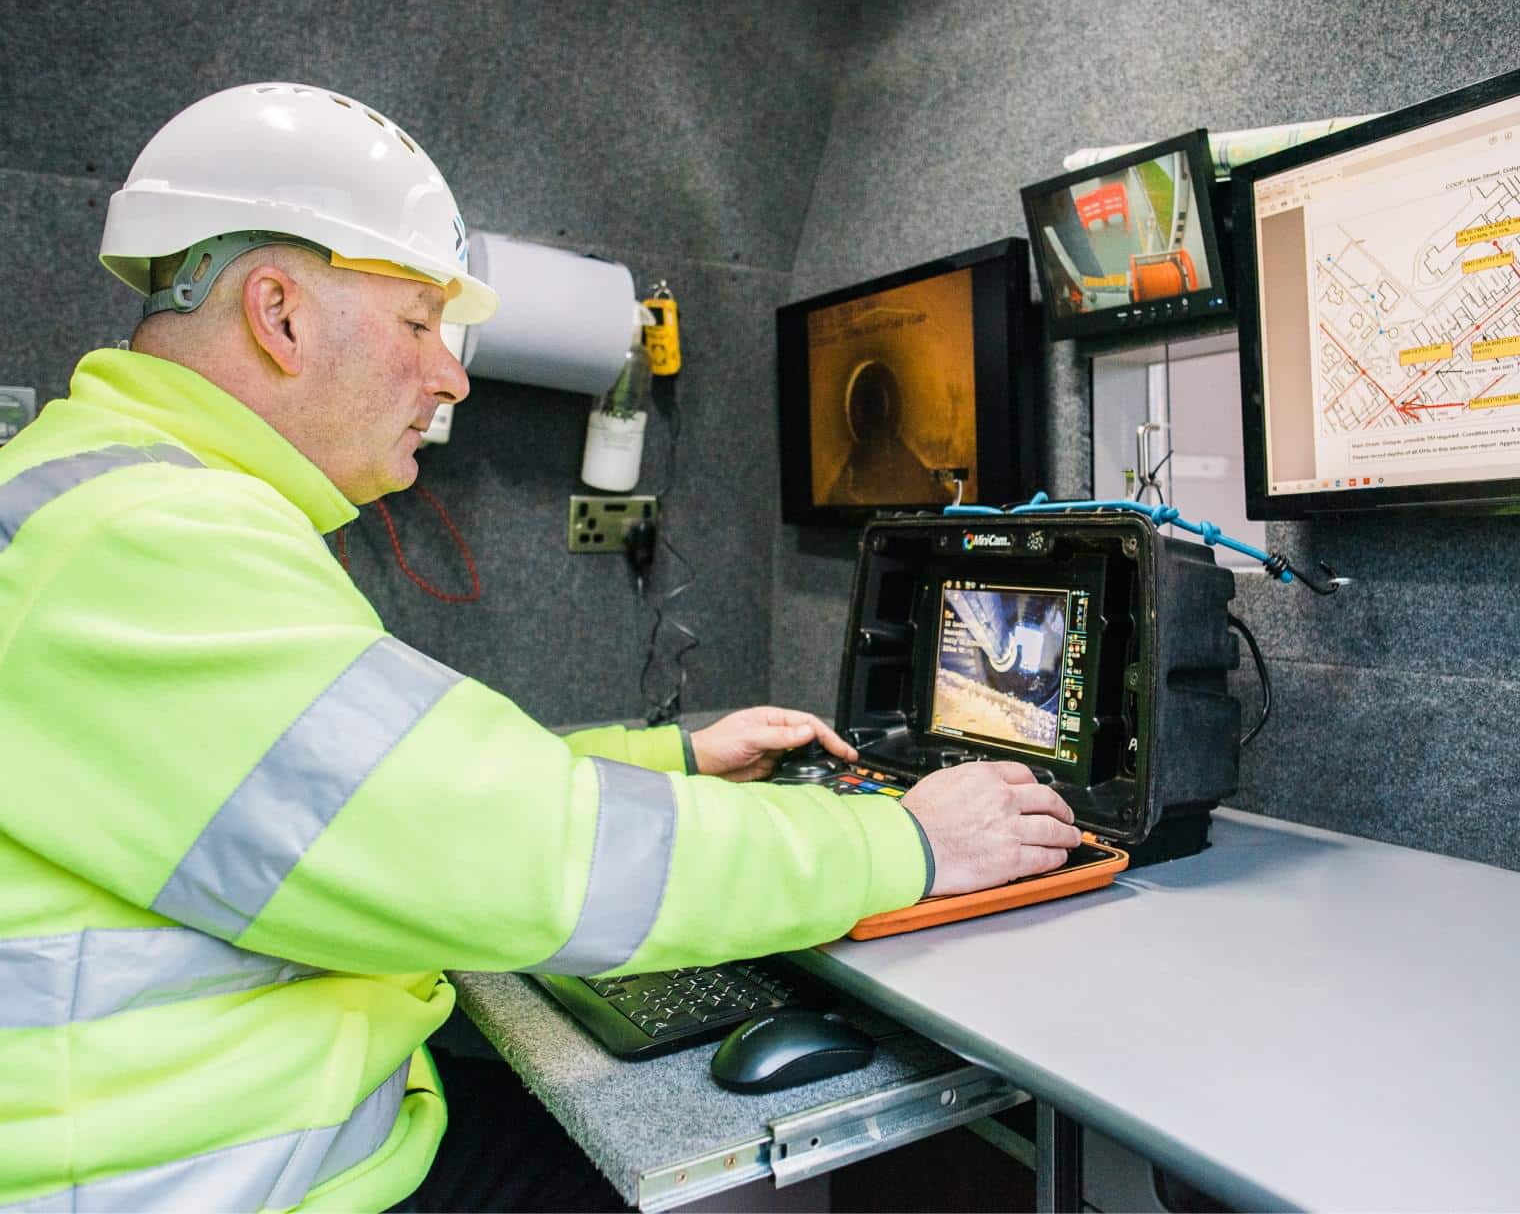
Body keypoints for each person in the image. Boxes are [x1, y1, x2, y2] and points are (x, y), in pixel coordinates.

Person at [0, 83, 1081, 1213]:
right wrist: (899, 841)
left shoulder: (108, 501)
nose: (450, 374)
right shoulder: (144, 539)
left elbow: (396, 783)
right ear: (278, 314)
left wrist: (667, 757)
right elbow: (506, 847)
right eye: (419, 324)